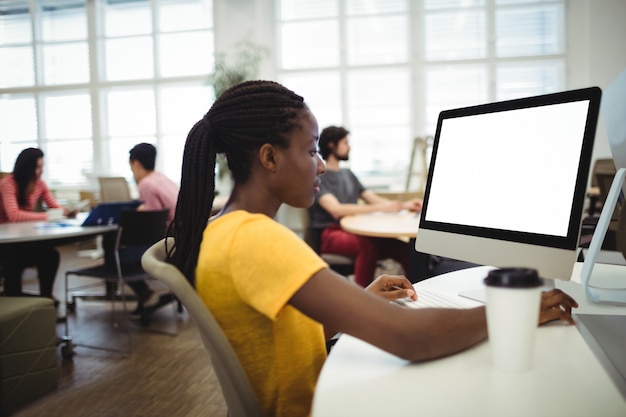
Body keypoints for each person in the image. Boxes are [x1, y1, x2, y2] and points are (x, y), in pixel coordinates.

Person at [169, 80, 578, 417]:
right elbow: (409, 338)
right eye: (311, 150)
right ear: (270, 157)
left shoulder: (220, 230)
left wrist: (357, 302)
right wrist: (512, 312)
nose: (322, 165)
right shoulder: (256, 238)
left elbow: (275, 335)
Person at [308, 125, 423, 287]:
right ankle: (366, 295)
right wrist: (382, 208)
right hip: (330, 233)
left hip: (353, 231)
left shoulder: (348, 174)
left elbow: (372, 198)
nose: (349, 147)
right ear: (331, 146)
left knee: (403, 247)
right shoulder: (321, 175)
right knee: (367, 244)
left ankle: (418, 290)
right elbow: (336, 209)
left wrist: (405, 205)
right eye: (345, 143)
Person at [0, 147, 76, 302]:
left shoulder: (39, 184)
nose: (40, 171)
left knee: (50, 255)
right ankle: (14, 301)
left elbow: (54, 206)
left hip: (24, 239)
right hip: (6, 243)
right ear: (27, 167)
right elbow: (14, 215)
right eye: (37, 167)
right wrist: (47, 216)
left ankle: (45, 300)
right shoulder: (8, 184)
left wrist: (65, 212)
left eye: (42, 167)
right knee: (12, 259)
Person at [121, 143, 179, 317]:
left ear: (136, 164)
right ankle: (146, 296)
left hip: (167, 240)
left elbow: (152, 220)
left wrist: (140, 211)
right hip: (180, 236)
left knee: (118, 255)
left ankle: (146, 295)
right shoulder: (161, 178)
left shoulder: (145, 184)